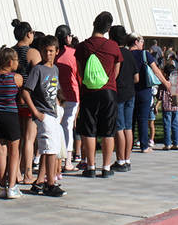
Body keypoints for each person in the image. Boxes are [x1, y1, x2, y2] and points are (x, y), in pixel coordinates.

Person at [75, 11, 123, 179]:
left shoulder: (82, 46)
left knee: (89, 130)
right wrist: (108, 80)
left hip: (88, 91)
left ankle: (90, 166)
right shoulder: (113, 46)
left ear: (94, 23)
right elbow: (116, 70)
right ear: (108, 28)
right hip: (109, 91)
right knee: (108, 130)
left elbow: (80, 69)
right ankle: (107, 167)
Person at [21, 35, 66, 197]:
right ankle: (50, 183)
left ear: (57, 52)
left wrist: (59, 105)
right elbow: (26, 91)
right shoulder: (38, 70)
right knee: (50, 149)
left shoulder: (55, 69)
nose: (48, 54)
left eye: (51, 51)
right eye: (45, 51)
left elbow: (55, 90)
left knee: (49, 148)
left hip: (53, 112)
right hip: (43, 113)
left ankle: (40, 181)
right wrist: (35, 112)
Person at [0, 47, 24, 199]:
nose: (18, 63)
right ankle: (13, 186)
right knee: (14, 151)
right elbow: (21, 99)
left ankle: (1, 186)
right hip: (11, 114)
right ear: (10, 62)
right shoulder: (16, 78)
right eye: (16, 61)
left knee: (0, 151)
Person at [11, 19, 41, 184]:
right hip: (30, 99)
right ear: (29, 34)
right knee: (29, 138)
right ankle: (28, 174)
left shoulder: (10, 52)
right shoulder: (33, 53)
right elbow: (39, 75)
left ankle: (16, 173)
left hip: (14, 99)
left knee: (19, 138)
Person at [132, 34, 170, 154]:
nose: (143, 43)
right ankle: (144, 145)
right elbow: (156, 71)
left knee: (130, 119)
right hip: (144, 89)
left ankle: (128, 144)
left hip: (130, 89)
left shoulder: (125, 54)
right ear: (136, 41)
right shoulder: (145, 54)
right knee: (143, 119)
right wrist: (166, 83)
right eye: (142, 41)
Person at [109, 27, 138, 172]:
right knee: (128, 127)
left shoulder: (115, 53)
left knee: (119, 127)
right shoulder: (130, 54)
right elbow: (136, 77)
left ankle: (120, 160)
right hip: (130, 92)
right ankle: (127, 158)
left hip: (119, 92)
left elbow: (114, 74)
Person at [54, 25, 80, 170]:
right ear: (67, 37)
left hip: (57, 94)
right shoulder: (73, 54)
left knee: (57, 126)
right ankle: (67, 161)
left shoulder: (54, 54)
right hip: (72, 93)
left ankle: (55, 157)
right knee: (68, 127)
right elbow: (78, 74)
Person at [160, 60, 178, 149]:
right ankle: (176, 143)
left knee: (167, 125)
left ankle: (167, 144)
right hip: (176, 106)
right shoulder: (177, 82)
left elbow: (160, 95)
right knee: (175, 124)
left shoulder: (164, 83)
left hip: (166, 106)